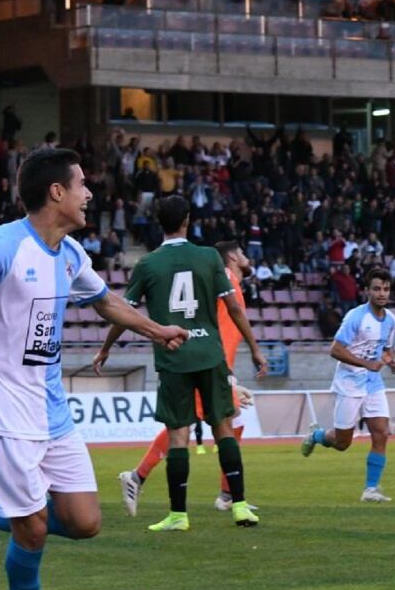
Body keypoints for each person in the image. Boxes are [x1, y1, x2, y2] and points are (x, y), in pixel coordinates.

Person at [0, 149, 187, 590]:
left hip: (52, 411)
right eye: (81, 184)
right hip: (5, 410)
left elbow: (107, 302)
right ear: (57, 192)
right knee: (31, 530)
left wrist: (157, 330)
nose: (89, 193)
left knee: (84, 521)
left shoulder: (70, 254)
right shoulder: (2, 246)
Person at [95, 195, 268, 531]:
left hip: (174, 357)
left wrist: (106, 348)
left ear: (159, 222)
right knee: (224, 429)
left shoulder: (148, 264)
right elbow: (233, 309)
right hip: (210, 355)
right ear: (188, 219)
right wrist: (256, 349)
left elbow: (125, 314)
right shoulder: (207, 257)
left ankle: (178, 516)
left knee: (178, 434)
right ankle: (241, 507)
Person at [301, 268, 395, 502]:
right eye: (376, 288)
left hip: (373, 384)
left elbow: (384, 349)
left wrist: (391, 361)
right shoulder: (356, 317)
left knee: (382, 433)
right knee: (343, 442)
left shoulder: (391, 319)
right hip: (349, 384)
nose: (381, 293)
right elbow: (335, 349)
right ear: (367, 290)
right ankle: (316, 435)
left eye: (385, 289)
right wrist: (366, 363)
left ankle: (371, 489)